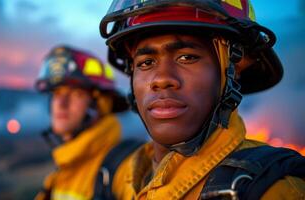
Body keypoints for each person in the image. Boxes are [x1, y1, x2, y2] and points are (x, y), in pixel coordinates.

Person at [100, 0, 305, 199]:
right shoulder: (120, 178)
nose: (161, 79)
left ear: (233, 70)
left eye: (187, 57)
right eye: (146, 62)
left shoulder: (275, 190)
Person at [34, 45, 143, 200]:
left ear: (101, 105)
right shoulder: (59, 175)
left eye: (77, 93)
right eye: (57, 93)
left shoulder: (128, 169)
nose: (61, 103)